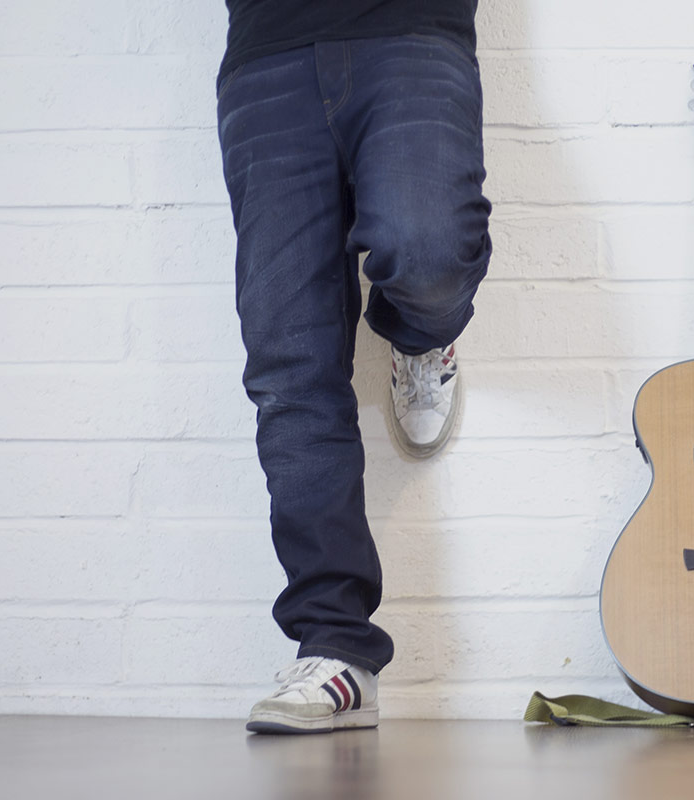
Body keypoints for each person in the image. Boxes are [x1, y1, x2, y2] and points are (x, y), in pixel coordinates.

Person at [214, 0, 490, 734]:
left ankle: (418, 335)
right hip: (268, 51)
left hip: (411, 28)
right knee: (289, 364)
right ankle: (335, 649)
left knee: (428, 254)